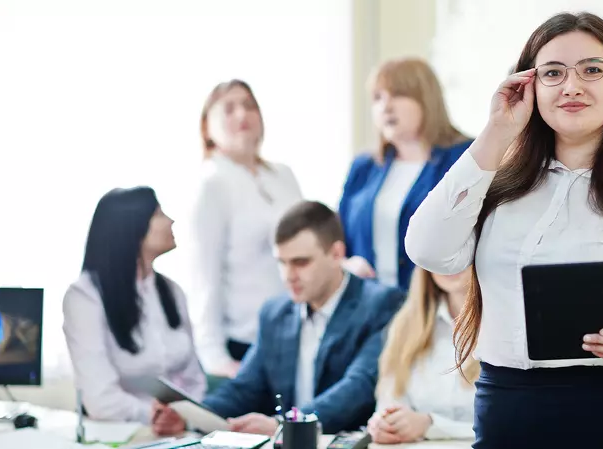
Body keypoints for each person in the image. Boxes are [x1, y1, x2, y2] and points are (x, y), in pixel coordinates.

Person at [404, 12, 603, 448]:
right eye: (552, 73)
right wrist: (497, 131)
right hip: (506, 410)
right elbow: (427, 249)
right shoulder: (493, 183)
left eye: (592, 69)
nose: (572, 86)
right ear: (530, 87)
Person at [152, 201, 405, 436]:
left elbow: (358, 387)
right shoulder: (275, 312)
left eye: (300, 262)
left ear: (337, 253)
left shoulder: (381, 305)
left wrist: (283, 425)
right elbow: (244, 388)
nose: (288, 275)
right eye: (281, 262)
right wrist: (190, 416)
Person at [63, 187, 206, 427]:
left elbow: (195, 380)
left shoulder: (172, 292)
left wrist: (184, 418)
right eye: (159, 214)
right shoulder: (84, 297)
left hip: (182, 432)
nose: (170, 221)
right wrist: (154, 415)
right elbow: (100, 399)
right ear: (132, 227)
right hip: (123, 433)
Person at [190, 80, 304, 378]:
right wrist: (216, 358)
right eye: (229, 109)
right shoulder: (212, 184)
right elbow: (205, 278)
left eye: (250, 105)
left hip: (297, 333)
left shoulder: (283, 175)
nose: (242, 114)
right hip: (245, 343)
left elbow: (307, 245)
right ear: (207, 128)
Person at [339, 57, 472, 291]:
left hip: (434, 306)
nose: (386, 107)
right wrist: (346, 264)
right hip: (369, 307)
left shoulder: (466, 157)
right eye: (378, 98)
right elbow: (338, 237)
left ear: (426, 99)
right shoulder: (364, 166)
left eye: (398, 94)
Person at [367, 266, 477, 444]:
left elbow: (511, 424)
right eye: (439, 252)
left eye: (460, 249)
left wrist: (431, 425)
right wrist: (385, 424)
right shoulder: (405, 325)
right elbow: (390, 402)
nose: (448, 262)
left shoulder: (511, 326)